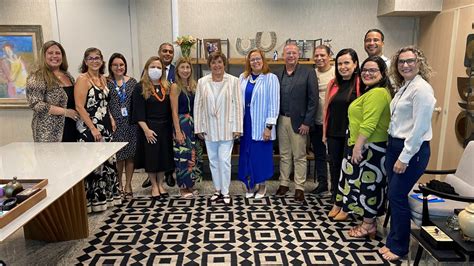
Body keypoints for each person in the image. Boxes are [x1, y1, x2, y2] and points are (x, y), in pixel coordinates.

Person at [380, 46, 435, 261]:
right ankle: (393, 240)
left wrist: (405, 157)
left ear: (419, 63)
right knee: (394, 196)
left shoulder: (422, 89)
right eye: (401, 62)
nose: (405, 65)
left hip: (411, 150)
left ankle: (399, 246)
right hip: (395, 145)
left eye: (410, 61)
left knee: (397, 195)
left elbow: (420, 128)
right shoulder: (405, 86)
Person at [336, 56, 392, 238]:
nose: (367, 74)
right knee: (365, 186)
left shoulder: (378, 93)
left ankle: (368, 226)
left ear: (382, 73)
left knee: (370, 187)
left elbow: (369, 123)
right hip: (366, 146)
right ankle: (367, 223)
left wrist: (357, 147)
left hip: (372, 148)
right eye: (365, 71)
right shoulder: (371, 91)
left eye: (373, 70)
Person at [75, 47, 121, 212]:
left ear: (102, 61)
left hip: (105, 125)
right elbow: (80, 106)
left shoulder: (103, 79)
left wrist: (111, 117)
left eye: (97, 58)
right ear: (85, 61)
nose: (94, 61)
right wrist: (93, 128)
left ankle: (107, 198)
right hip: (89, 127)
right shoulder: (82, 79)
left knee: (107, 163)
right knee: (93, 165)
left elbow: (105, 102)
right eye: (91, 58)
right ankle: (93, 202)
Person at [194, 51, 243, 205]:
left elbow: (238, 106)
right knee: (213, 161)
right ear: (210, 65)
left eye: (220, 62)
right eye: (214, 63)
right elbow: (198, 106)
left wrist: (238, 127)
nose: (217, 65)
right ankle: (217, 190)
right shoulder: (202, 82)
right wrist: (198, 127)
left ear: (224, 64)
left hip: (227, 127)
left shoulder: (234, 81)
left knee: (224, 160)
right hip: (209, 127)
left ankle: (226, 191)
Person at [275, 43, 317, 203]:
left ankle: (299, 187)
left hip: (300, 122)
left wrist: (307, 122)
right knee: (284, 154)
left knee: (299, 156)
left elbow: (313, 101)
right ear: (283, 56)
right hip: (281, 119)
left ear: (298, 55)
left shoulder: (308, 73)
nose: (291, 56)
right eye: (288, 53)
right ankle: (284, 183)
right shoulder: (278, 74)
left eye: (293, 53)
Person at [324, 48, 361, 221]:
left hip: (351, 135)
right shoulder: (333, 83)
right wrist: (325, 133)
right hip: (333, 132)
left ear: (355, 64)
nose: (343, 67)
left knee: (350, 171)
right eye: (339, 63)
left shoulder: (361, 83)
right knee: (335, 167)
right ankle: (336, 201)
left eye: (347, 63)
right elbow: (327, 110)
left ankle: (347, 205)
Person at [238, 49, 280, 199]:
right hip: (246, 123)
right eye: (252, 59)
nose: (255, 62)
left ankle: (262, 186)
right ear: (248, 62)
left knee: (260, 156)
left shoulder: (271, 78)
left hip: (262, 124)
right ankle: (250, 185)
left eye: (258, 59)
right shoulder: (243, 78)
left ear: (263, 60)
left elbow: (274, 105)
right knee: (246, 155)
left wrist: (269, 127)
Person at [132, 56, 174, 199]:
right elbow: (138, 112)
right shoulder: (140, 87)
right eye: (152, 67)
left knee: (163, 157)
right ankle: (154, 185)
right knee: (152, 158)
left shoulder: (166, 86)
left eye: (159, 67)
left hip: (165, 127)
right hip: (149, 128)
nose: (156, 70)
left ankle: (161, 184)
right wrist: (146, 130)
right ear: (146, 68)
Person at [26, 40, 79, 142]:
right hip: (49, 132)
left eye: (58, 53)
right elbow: (36, 104)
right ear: (44, 56)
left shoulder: (68, 76)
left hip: (71, 127)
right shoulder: (37, 76)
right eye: (50, 53)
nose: (54, 56)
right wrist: (65, 112)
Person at [142, 42, 176, 188]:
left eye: (170, 51)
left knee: (166, 150)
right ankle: (152, 179)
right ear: (159, 52)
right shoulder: (149, 71)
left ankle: (168, 175)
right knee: (152, 153)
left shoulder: (177, 70)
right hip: (151, 120)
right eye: (165, 51)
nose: (167, 54)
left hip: (167, 119)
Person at [107, 53, 138, 200]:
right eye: (115, 65)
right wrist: (110, 117)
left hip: (131, 124)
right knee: (119, 157)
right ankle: (119, 184)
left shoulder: (132, 82)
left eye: (121, 65)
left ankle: (128, 184)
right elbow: (103, 103)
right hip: (115, 124)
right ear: (110, 67)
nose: (119, 68)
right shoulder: (106, 82)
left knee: (130, 156)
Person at [170, 57, 203, 198]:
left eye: (187, 67)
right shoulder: (175, 86)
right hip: (182, 124)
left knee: (193, 156)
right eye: (182, 67)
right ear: (177, 69)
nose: (185, 70)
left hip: (194, 124)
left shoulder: (194, 85)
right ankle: (183, 188)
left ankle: (190, 185)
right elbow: (174, 111)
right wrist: (177, 131)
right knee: (182, 157)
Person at [309, 45, 334, 197]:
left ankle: (335, 188)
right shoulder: (312, 74)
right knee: (319, 154)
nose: (319, 58)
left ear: (329, 56)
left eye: (322, 55)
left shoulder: (335, 72)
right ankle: (323, 183)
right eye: (316, 55)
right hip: (316, 121)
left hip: (331, 122)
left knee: (332, 156)